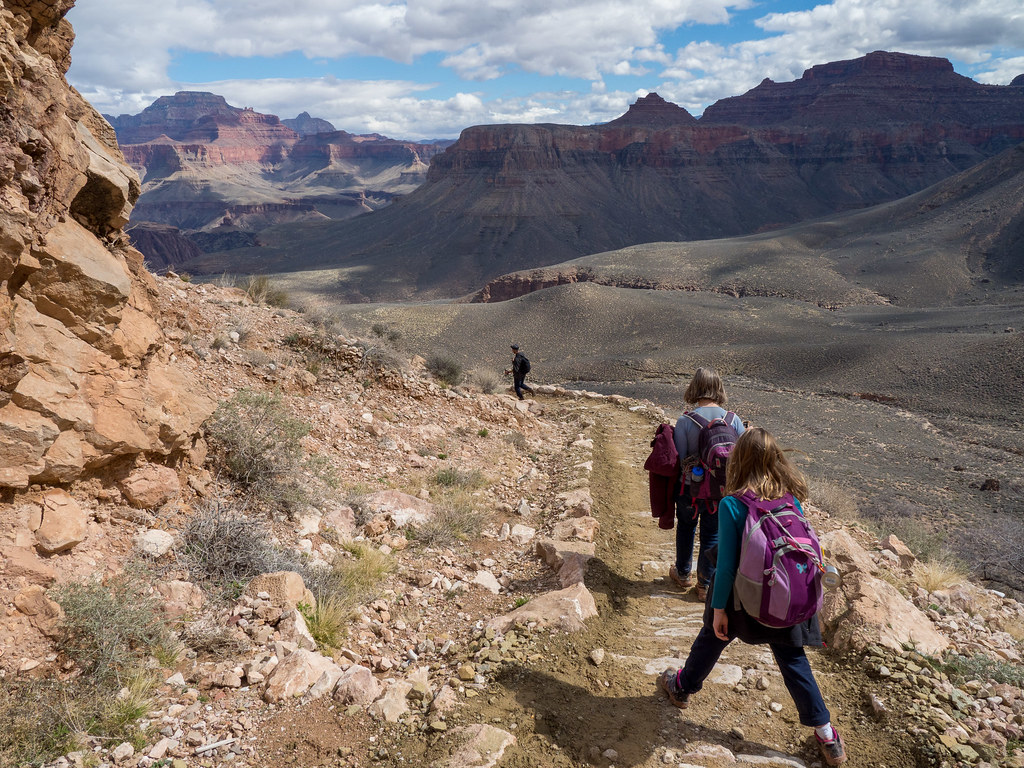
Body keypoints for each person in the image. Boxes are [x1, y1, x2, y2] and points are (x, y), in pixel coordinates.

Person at [658, 427, 847, 767]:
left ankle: (682, 687)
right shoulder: (791, 498)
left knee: (711, 639)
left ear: (738, 461)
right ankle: (827, 736)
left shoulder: (733, 504)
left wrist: (718, 609)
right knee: (793, 661)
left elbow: (727, 566)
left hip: (743, 599)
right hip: (784, 599)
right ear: (775, 460)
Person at [670, 367, 745, 600]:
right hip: (720, 491)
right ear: (719, 388)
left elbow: (681, 459)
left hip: (689, 488)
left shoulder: (685, 421)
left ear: (695, 387)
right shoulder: (734, 420)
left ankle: (683, 574)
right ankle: (705, 585)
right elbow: (741, 457)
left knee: (686, 528)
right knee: (712, 533)